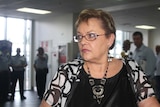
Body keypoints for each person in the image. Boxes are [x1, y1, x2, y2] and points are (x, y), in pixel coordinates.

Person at [40, 9, 160, 107]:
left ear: (110, 39)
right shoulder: (67, 73)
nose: (83, 41)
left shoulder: (131, 70)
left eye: (91, 35)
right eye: (80, 36)